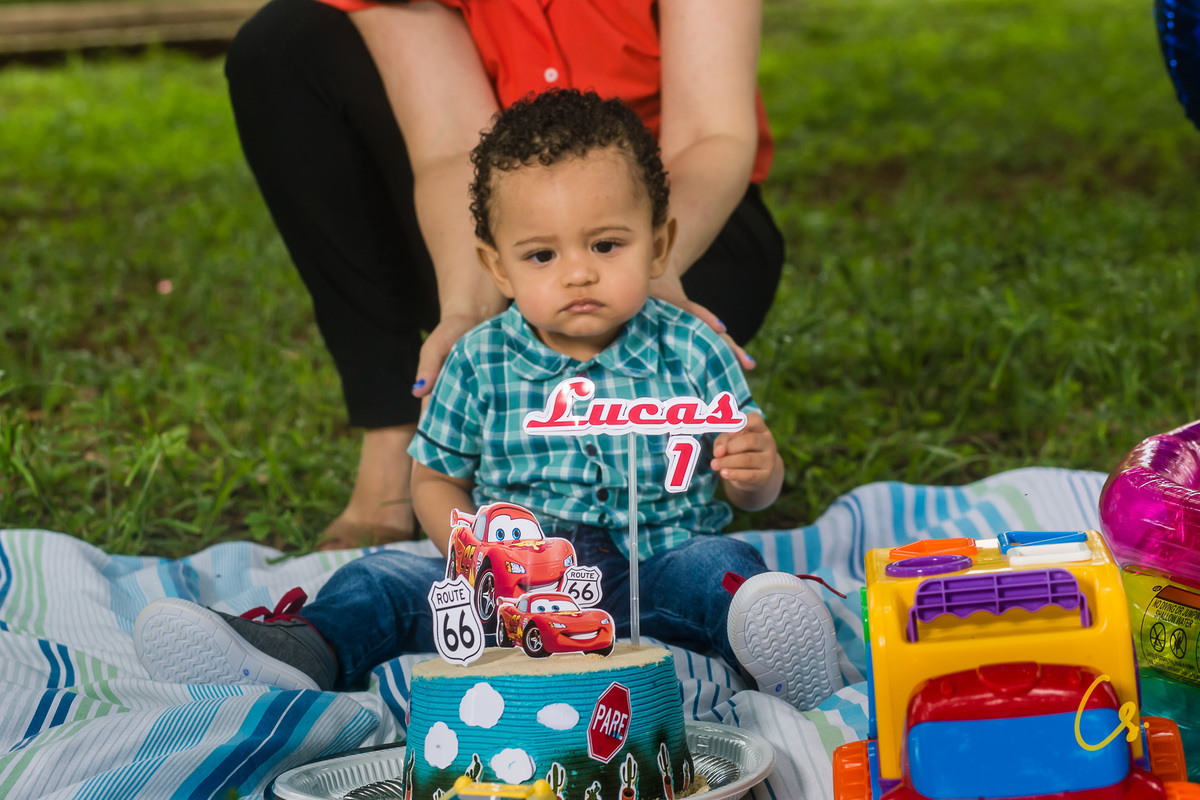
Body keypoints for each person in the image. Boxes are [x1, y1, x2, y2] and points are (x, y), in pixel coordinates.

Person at [133, 90, 839, 712]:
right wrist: (476, 554)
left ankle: (774, 650)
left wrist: (756, 473)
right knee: (377, 579)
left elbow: (749, 481)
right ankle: (296, 653)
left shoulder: (692, 347)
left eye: (606, 243)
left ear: (659, 246)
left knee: (723, 567)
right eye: (542, 256)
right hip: (517, 577)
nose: (579, 273)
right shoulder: (478, 362)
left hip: (656, 559)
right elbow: (436, 479)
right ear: (496, 265)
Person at [223, 0, 786, 548]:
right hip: (508, 225)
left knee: (620, 307)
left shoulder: (650, 248)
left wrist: (640, 261)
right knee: (283, 41)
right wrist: (467, 308)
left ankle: (648, 496)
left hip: (684, 214)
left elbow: (712, 134)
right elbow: (450, 148)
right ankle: (404, 443)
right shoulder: (501, 253)